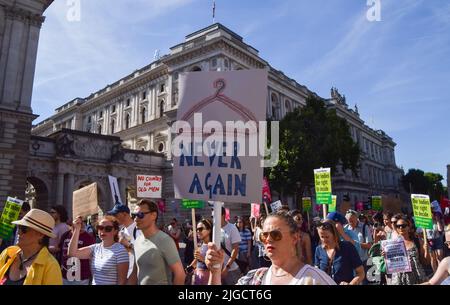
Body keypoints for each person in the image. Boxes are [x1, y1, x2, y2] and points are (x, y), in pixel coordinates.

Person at [206, 210, 336, 285]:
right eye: (264, 235)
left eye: (275, 234)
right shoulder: (255, 278)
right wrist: (215, 273)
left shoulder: (314, 280)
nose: (268, 240)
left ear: (295, 238)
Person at [128, 199, 185, 285]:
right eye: (134, 215)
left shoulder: (165, 240)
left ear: (153, 215)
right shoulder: (137, 241)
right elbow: (135, 273)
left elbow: (180, 274)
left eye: (140, 215)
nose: (136, 219)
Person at [0, 209, 63, 285]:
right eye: (19, 227)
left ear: (40, 235)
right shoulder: (8, 253)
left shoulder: (50, 265)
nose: (19, 232)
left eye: (24, 229)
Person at [68, 215, 129, 285]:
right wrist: (77, 229)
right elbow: (72, 254)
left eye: (108, 229)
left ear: (115, 231)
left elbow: (122, 282)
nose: (103, 231)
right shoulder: (95, 248)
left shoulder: (120, 250)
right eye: (100, 228)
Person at [314, 219, 365, 285]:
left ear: (334, 234)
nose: (324, 240)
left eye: (327, 237)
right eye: (322, 237)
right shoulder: (318, 250)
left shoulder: (347, 247)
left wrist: (351, 284)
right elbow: (317, 274)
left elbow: (361, 273)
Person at [389, 215, 430, 285]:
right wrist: (386, 255)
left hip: (417, 277)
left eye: (403, 225)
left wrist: (426, 250)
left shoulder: (417, 241)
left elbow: (425, 262)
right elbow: (391, 264)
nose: (401, 228)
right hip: (400, 279)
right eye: (398, 226)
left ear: (408, 227)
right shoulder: (393, 244)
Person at [107, 203, 141, 279]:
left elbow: (144, 251)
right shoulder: (121, 231)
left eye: (116, 215)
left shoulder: (139, 229)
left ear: (125, 214)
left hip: (136, 275)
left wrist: (127, 244)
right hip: (123, 273)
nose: (114, 218)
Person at [58, 218, 95, 285]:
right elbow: (61, 251)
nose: (79, 224)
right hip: (65, 274)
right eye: (77, 222)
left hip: (81, 276)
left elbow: (91, 257)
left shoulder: (88, 238)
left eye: (81, 222)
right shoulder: (65, 235)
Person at [186, 218, 213, 285]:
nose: (197, 231)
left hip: (208, 279)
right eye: (197, 229)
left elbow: (216, 267)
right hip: (197, 278)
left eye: (200, 229)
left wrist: (203, 259)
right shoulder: (199, 244)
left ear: (209, 230)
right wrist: (189, 268)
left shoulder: (214, 246)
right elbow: (197, 260)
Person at [220, 206, 242, 285]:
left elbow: (235, 249)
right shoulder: (214, 229)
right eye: (212, 216)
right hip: (218, 269)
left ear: (222, 215)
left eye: (214, 215)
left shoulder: (232, 228)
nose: (213, 218)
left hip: (231, 270)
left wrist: (227, 267)